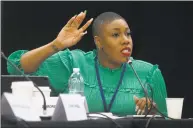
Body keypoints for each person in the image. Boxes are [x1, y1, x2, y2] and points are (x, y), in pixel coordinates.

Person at [7, 11, 167, 116]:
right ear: (99, 42)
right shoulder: (73, 63)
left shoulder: (148, 73)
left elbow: (166, 123)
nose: (126, 40)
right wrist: (56, 44)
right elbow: (17, 67)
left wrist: (152, 111)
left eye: (128, 34)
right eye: (116, 35)